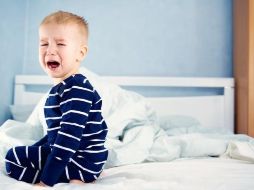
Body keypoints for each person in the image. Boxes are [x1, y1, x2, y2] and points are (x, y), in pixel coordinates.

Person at [5, 10, 108, 187]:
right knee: (23, 153)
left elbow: (68, 137)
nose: (50, 50)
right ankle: (72, 175)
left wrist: (46, 181)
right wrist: (36, 149)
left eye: (60, 44)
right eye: (44, 43)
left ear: (80, 53)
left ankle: (71, 175)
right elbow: (55, 134)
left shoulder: (77, 89)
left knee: (12, 159)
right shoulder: (62, 89)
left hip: (80, 159)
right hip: (82, 159)